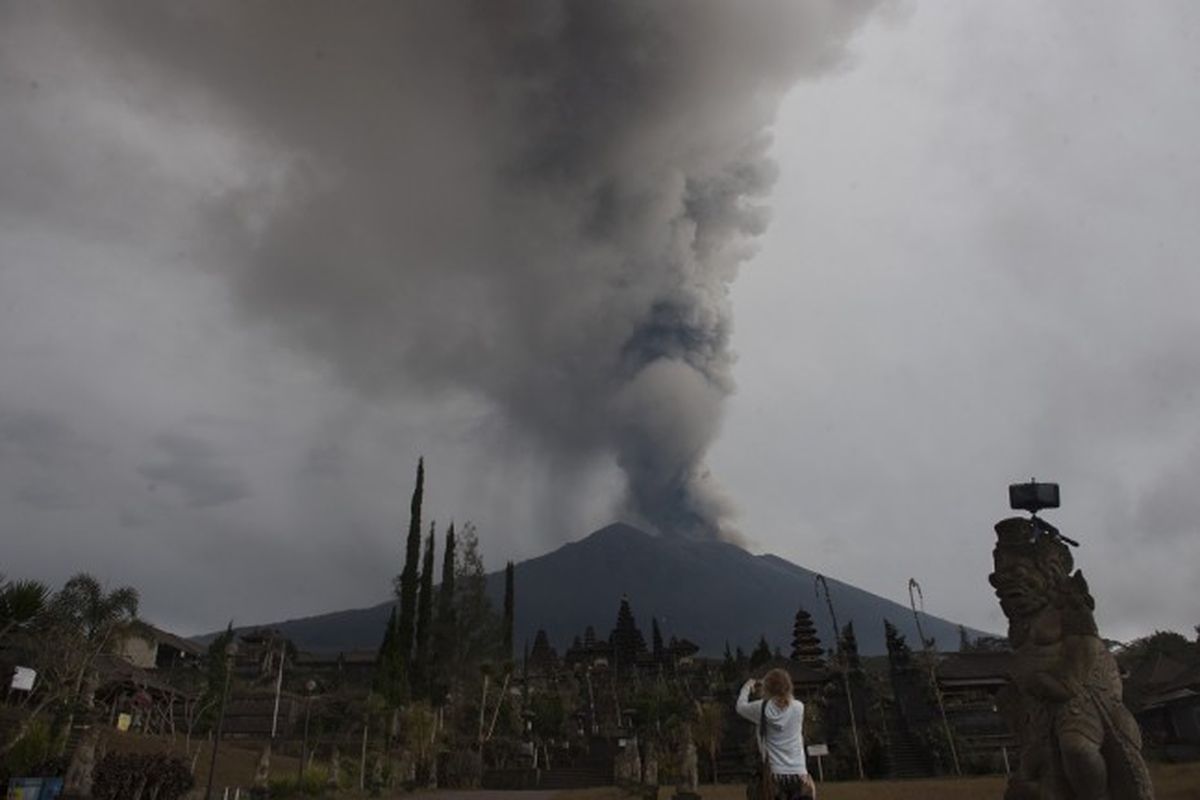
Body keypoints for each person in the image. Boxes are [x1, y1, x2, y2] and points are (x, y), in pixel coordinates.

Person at [736, 668, 816, 800]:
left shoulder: (761, 708)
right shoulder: (799, 707)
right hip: (799, 773)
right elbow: (786, 700)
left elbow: (740, 707)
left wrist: (746, 688)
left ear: (767, 688)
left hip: (773, 775)